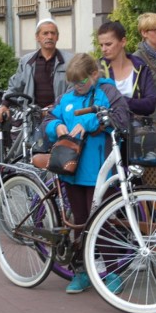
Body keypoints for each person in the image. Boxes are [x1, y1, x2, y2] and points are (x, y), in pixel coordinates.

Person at [41, 53, 129, 294]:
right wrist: (54, 127)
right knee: (79, 223)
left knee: (104, 223)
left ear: (94, 75)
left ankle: (112, 272)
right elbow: (48, 118)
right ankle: (81, 271)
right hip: (71, 171)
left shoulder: (107, 93)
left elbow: (121, 119)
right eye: (73, 82)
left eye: (81, 82)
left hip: (99, 171)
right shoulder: (67, 97)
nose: (77, 87)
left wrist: (89, 123)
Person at [0, 18, 73, 122]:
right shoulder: (27, 61)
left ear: (57, 37)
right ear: (37, 37)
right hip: (31, 118)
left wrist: (56, 106)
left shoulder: (70, 61)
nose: (49, 37)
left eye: (53, 33)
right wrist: (4, 106)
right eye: (45, 33)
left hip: (60, 116)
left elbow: (74, 89)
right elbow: (15, 86)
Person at [97, 21, 156, 116]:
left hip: (136, 128)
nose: (103, 49)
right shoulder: (96, 69)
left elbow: (150, 104)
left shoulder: (141, 67)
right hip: (105, 128)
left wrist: (119, 101)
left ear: (123, 42)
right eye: (101, 45)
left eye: (108, 44)